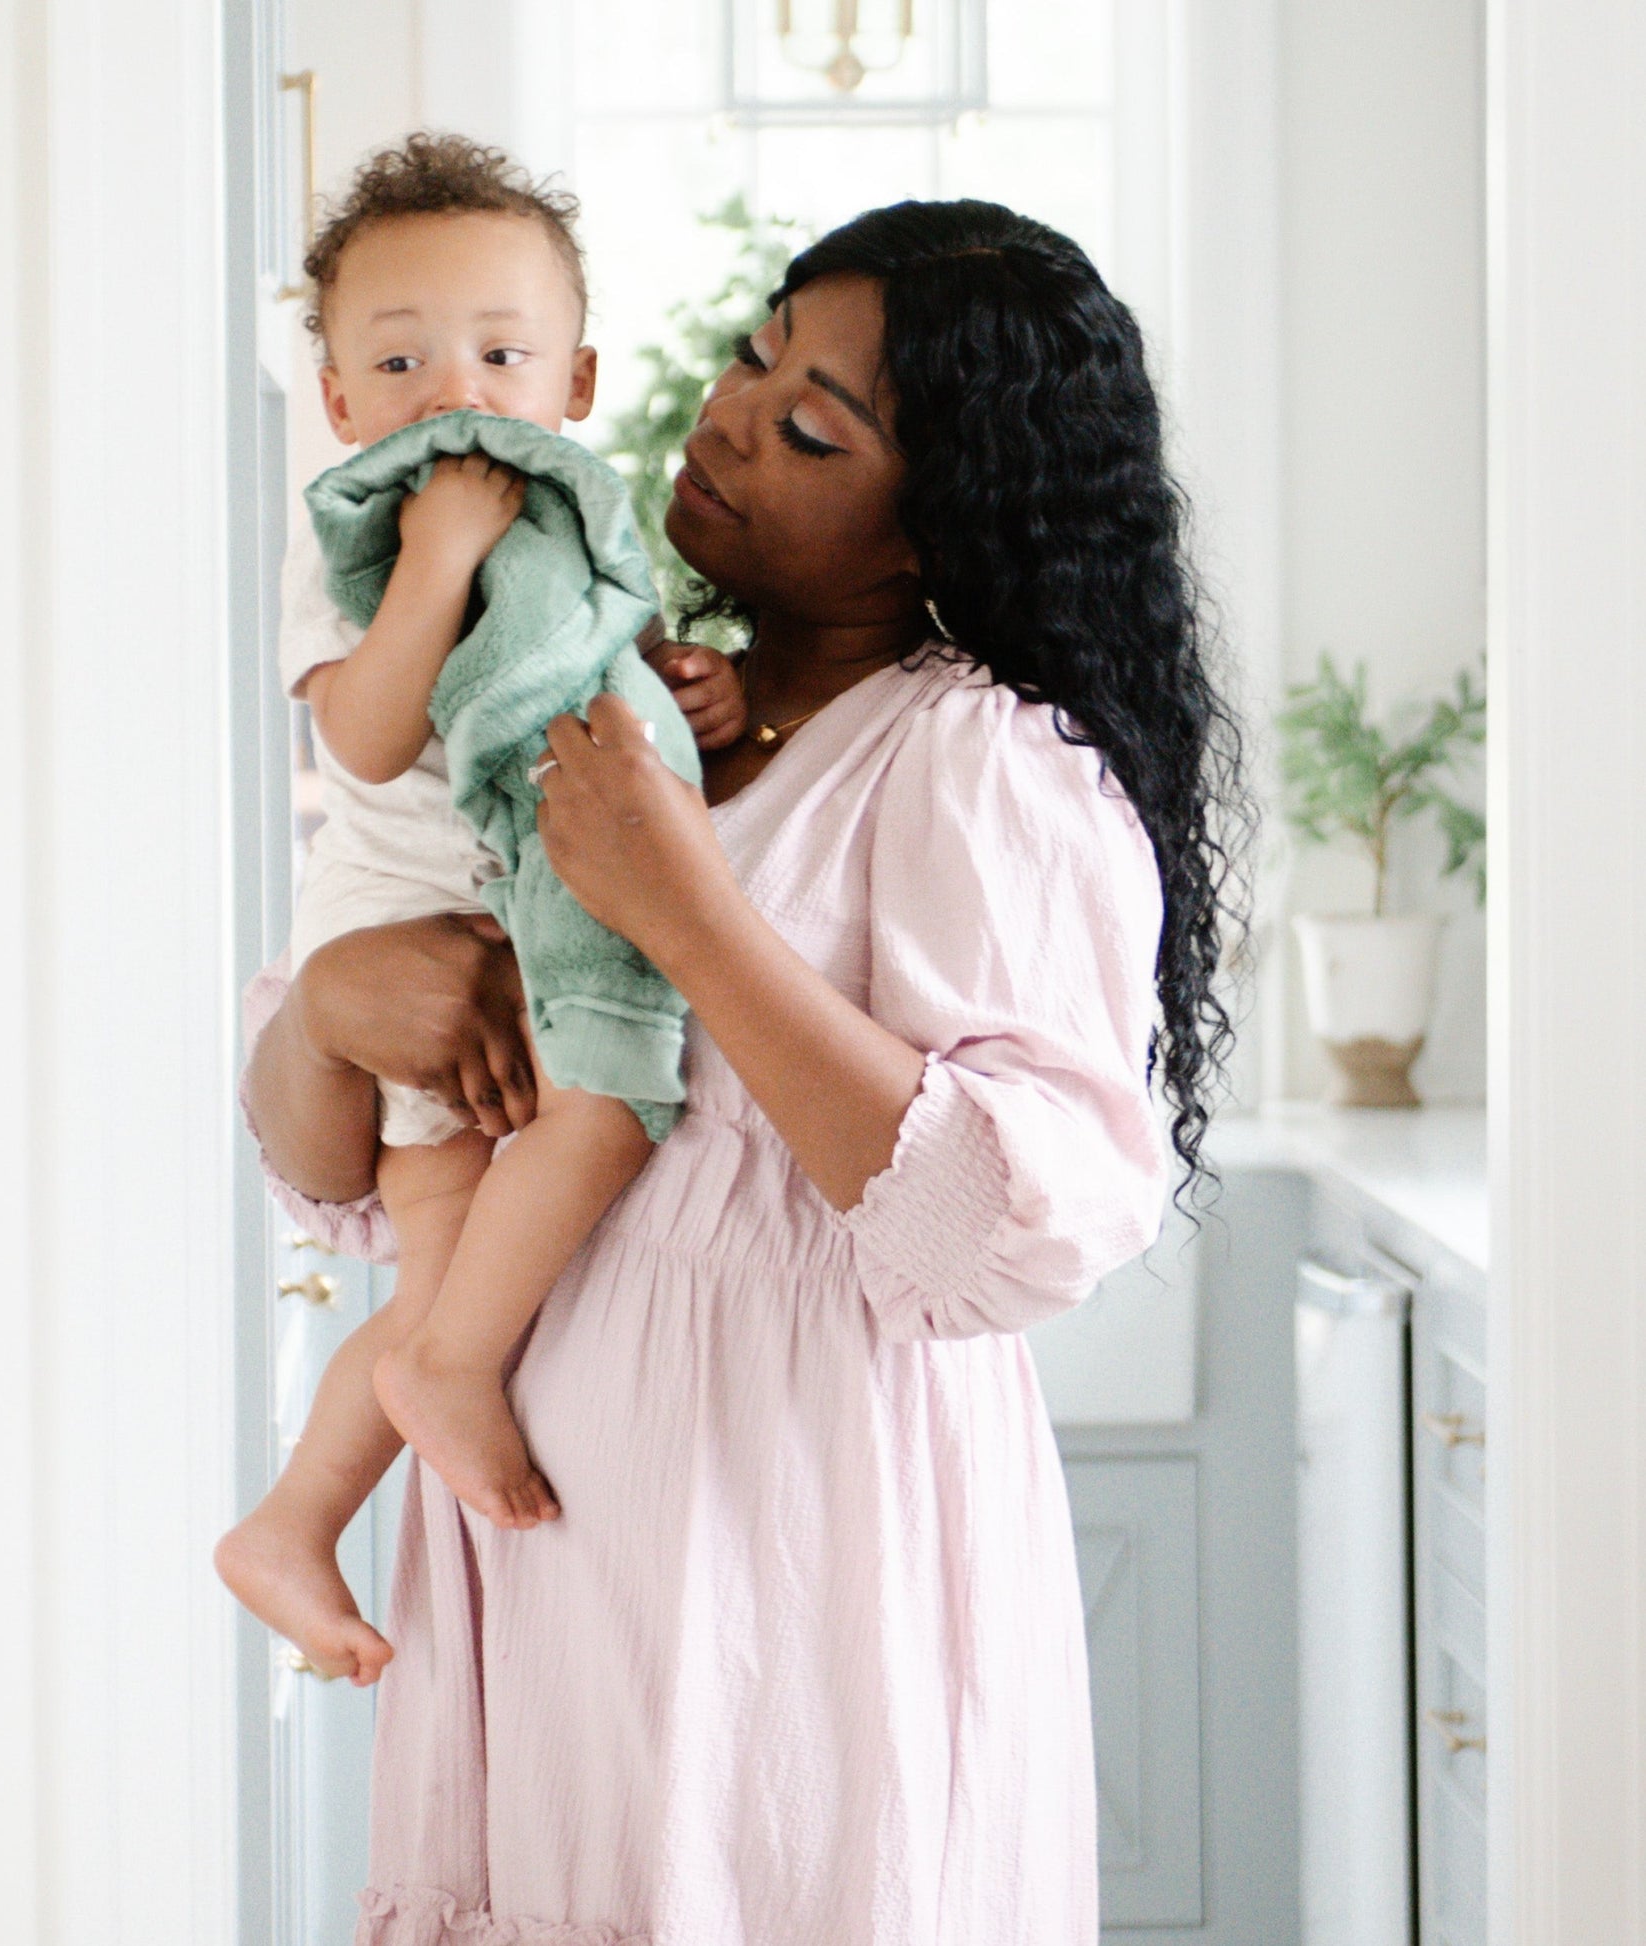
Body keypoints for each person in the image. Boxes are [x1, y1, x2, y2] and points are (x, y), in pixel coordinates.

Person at [243, 197, 1248, 1944]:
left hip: (778, 1576)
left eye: (807, 425)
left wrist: (691, 916)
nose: (725, 418)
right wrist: (329, 1000)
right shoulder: (599, 690)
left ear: (939, 513)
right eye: (747, 353)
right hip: (546, 1553)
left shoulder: (976, 760)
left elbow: (1009, 1236)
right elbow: (321, 1160)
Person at [216, 134, 746, 1687]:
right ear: (338, 399)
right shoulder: (356, 539)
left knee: (457, 1292)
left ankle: (293, 1523)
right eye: (400, 357)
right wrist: (436, 558)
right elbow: (370, 736)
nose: (454, 387)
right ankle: (331, 1484)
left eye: (501, 352)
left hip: (533, 914)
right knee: (445, 1254)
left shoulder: (583, 526)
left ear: (575, 381)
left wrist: (689, 691)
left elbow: (597, 676)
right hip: (399, 920)